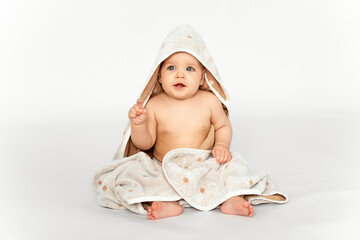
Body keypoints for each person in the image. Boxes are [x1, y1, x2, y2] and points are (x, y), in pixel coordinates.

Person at [128, 51, 254, 220]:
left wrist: (221, 145)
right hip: (165, 167)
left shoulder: (210, 101)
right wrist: (138, 125)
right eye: (171, 68)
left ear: (202, 78)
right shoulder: (153, 105)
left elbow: (223, 125)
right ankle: (167, 203)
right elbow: (145, 144)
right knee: (138, 172)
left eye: (190, 69)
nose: (180, 74)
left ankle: (232, 199)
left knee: (236, 165)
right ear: (159, 77)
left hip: (203, 165)